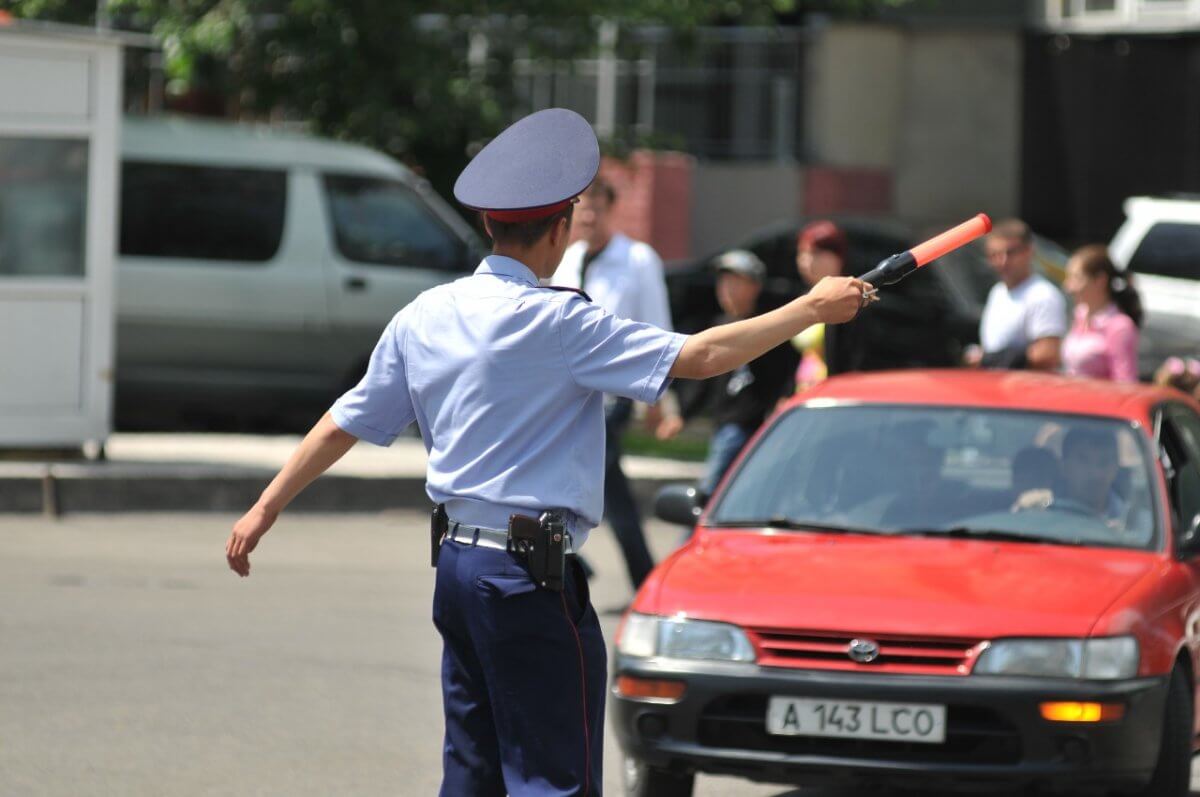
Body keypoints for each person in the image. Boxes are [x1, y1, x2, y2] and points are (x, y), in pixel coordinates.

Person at [223, 107, 868, 797]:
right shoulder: (558, 320)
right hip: (526, 579)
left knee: (471, 771)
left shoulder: (427, 313)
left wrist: (264, 507)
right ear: (560, 229)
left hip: (458, 569)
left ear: (489, 225)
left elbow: (343, 420)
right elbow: (702, 354)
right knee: (552, 779)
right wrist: (809, 307)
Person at [551, 177, 676, 590]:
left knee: (591, 479)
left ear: (611, 209)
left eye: (596, 207)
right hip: (570, 394)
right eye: (581, 208)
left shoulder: (638, 259)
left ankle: (576, 560)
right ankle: (636, 576)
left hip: (614, 394)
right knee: (605, 489)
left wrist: (659, 399)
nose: (587, 216)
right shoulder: (568, 260)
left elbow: (658, 326)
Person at [658, 250, 802, 499]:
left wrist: (786, 397)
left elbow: (789, 369)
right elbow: (704, 379)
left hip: (751, 425)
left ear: (755, 286)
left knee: (711, 494)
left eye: (737, 282)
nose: (727, 290)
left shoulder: (767, 327)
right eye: (723, 283)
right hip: (724, 423)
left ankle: (693, 532)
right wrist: (682, 414)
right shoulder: (719, 326)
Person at [966, 218, 1066, 371]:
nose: (1003, 261)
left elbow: (1048, 354)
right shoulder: (997, 292)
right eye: (995, 255)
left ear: (1029, 251)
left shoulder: (1043, 295)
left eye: (1010, 252)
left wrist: (988, 359)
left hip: (1027, 390)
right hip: (995, 388)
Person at [795, 220, 869, 377]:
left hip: (833, 395)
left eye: (816, 253)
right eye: (802, 253)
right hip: (805, 394)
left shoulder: (852, 299)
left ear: (838, 257)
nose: (805, 261)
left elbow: (854, 362)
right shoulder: (805, 295)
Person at [1061, 245, 1142, 382]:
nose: (1069, 287)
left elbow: (1125, 383)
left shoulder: (1120, 326)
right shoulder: (1080, 315)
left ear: (1100, 280)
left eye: (1077, 278)